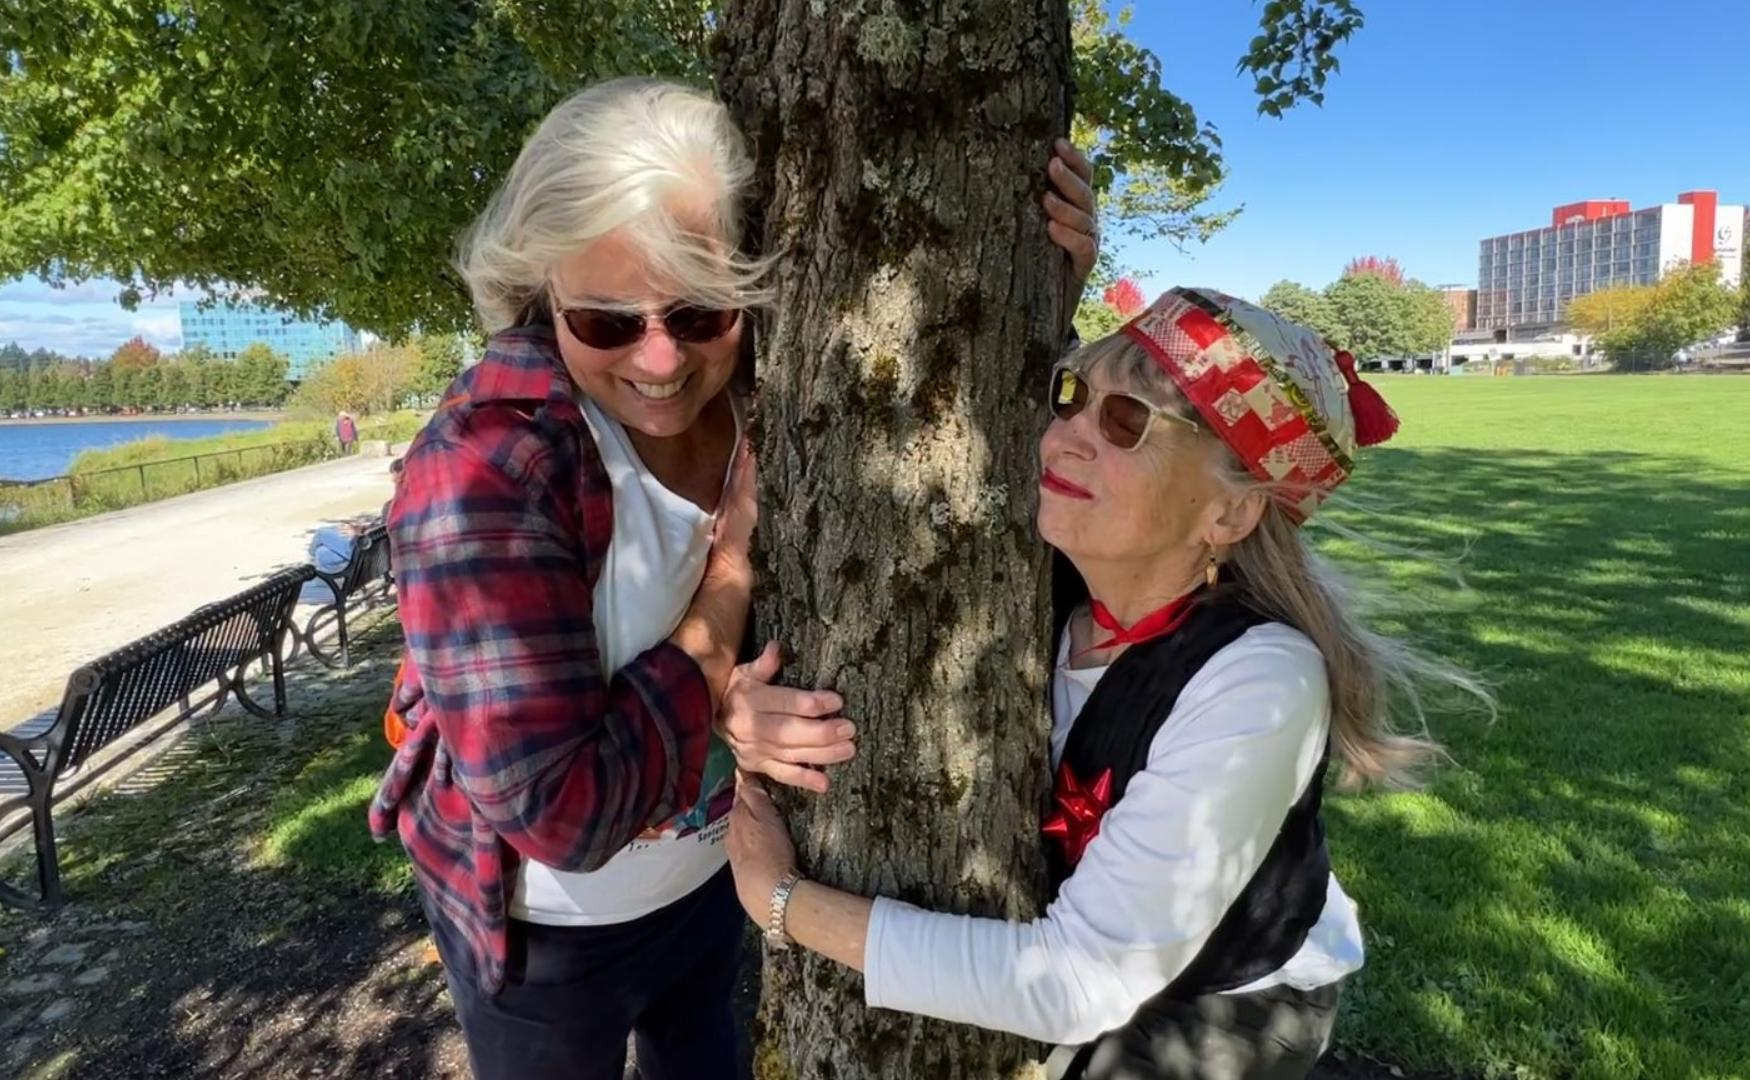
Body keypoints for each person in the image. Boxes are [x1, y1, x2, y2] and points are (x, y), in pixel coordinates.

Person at [368, 77, 1100, 1080]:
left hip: (713, 883)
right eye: (609, 322)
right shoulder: (485, 468)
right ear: (541, 287)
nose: (664, 361)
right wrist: (727, 596)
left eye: (703, 309)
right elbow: (558, 811)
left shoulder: (781, 386)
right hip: (546, 936)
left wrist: (1036, 294)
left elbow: (944, 435)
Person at [727, 287, 1486, 1080]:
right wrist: (741, 711)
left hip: (1223, 1009)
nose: (1062, 441)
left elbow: (1079, 979)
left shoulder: (1259, 683)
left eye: (1128, 421)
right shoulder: (1024, 584)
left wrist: (779, 899)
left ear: (1228, 514)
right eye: (1071, 397)